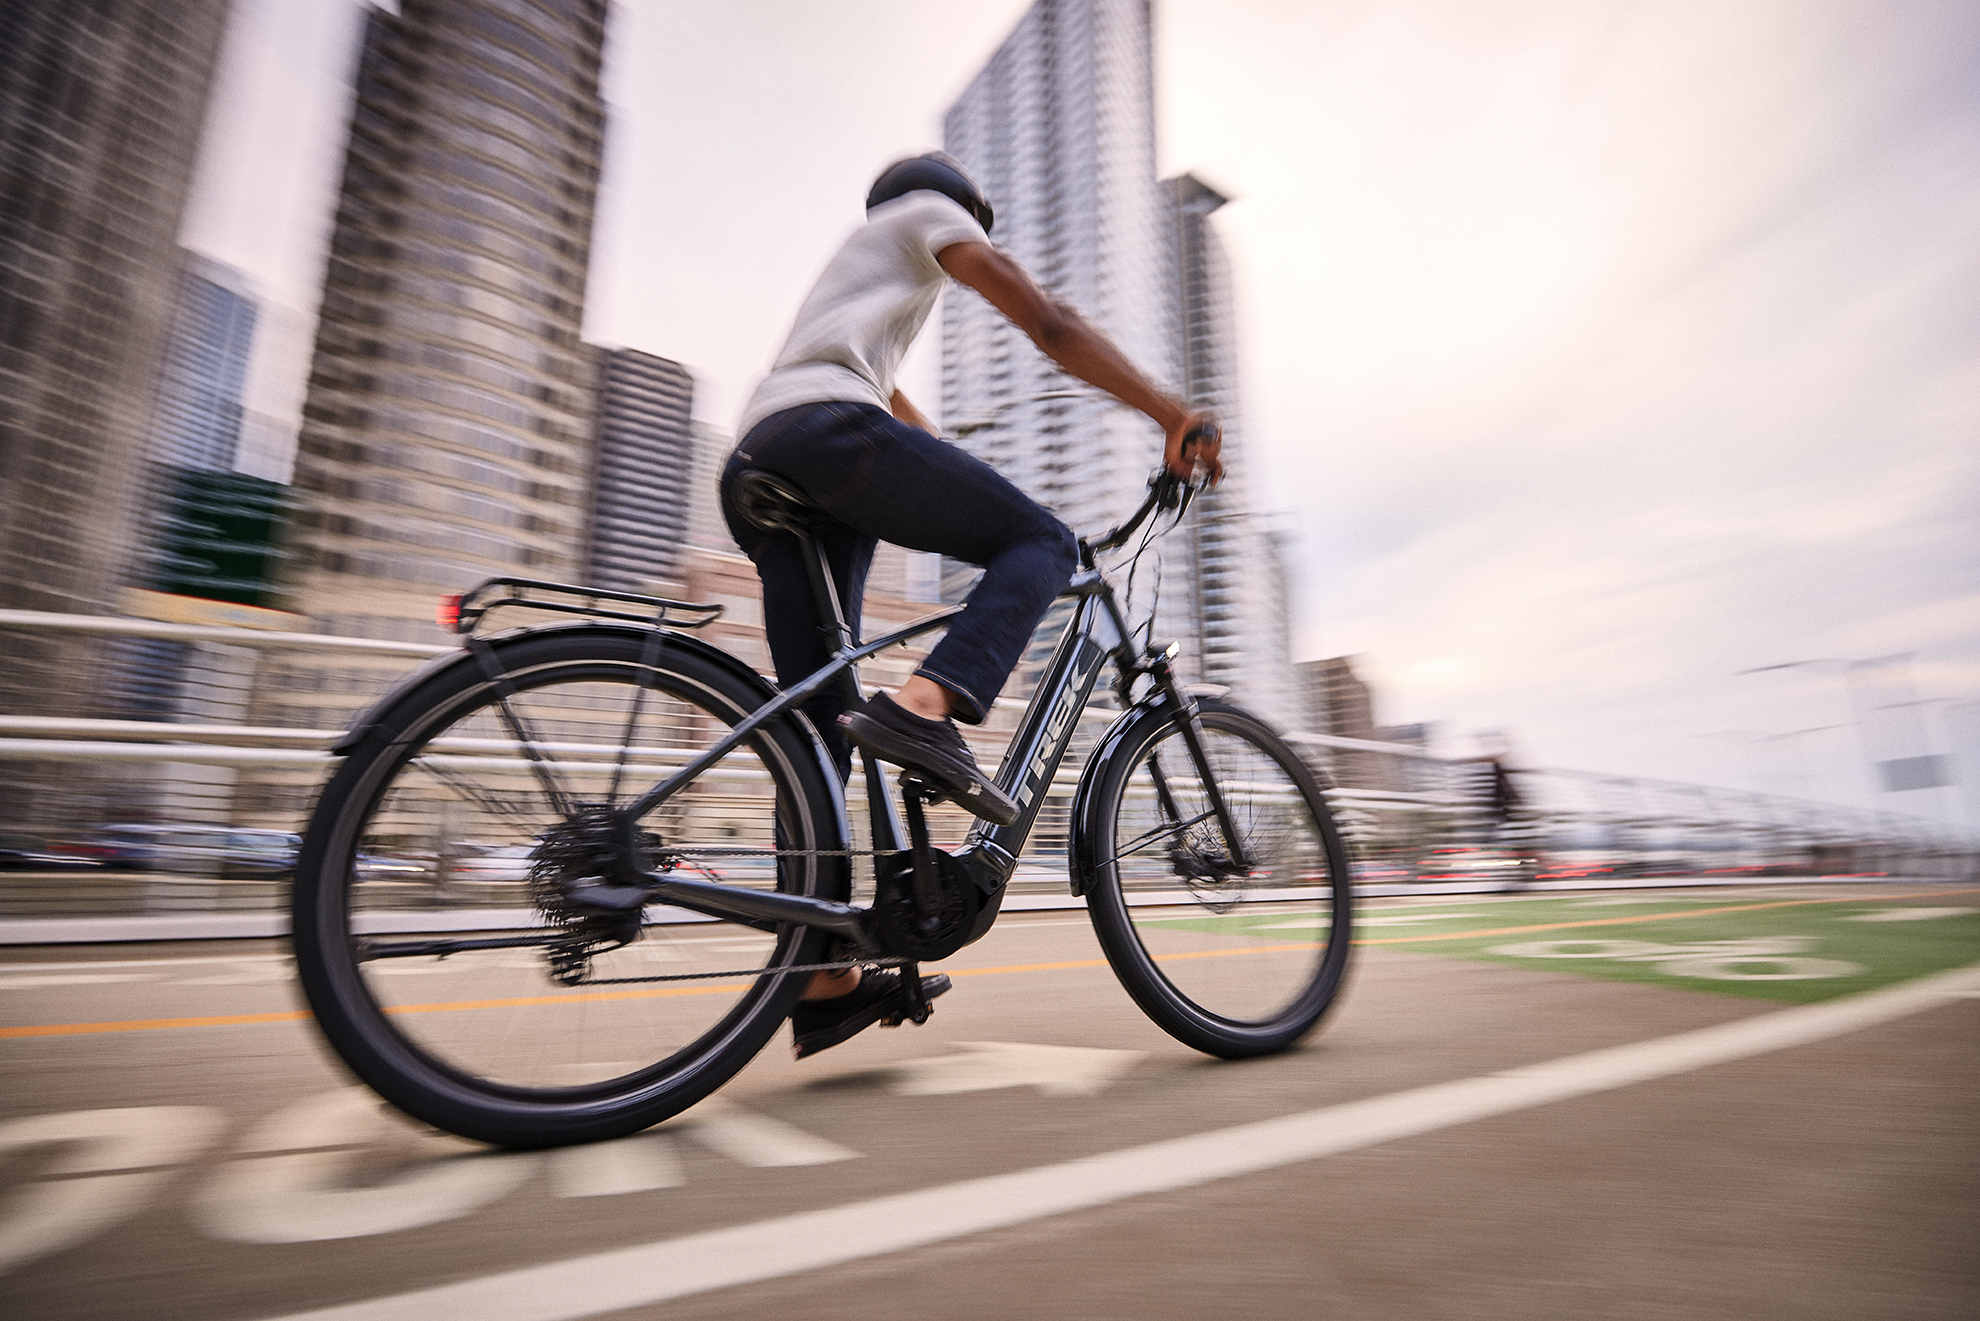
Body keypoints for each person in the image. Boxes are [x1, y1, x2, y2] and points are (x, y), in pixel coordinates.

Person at [719, 152, 1221, 1057]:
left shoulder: (859, 293)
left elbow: (913, 428)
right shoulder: (922, 217)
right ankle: (927, 705)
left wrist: (953, 465)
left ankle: (824, 974)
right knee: (1040, 542)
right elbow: (1051, 323)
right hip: (825, 435)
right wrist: (1166, 411)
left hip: (765, 457)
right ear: (957, 212)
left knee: (819, 736)